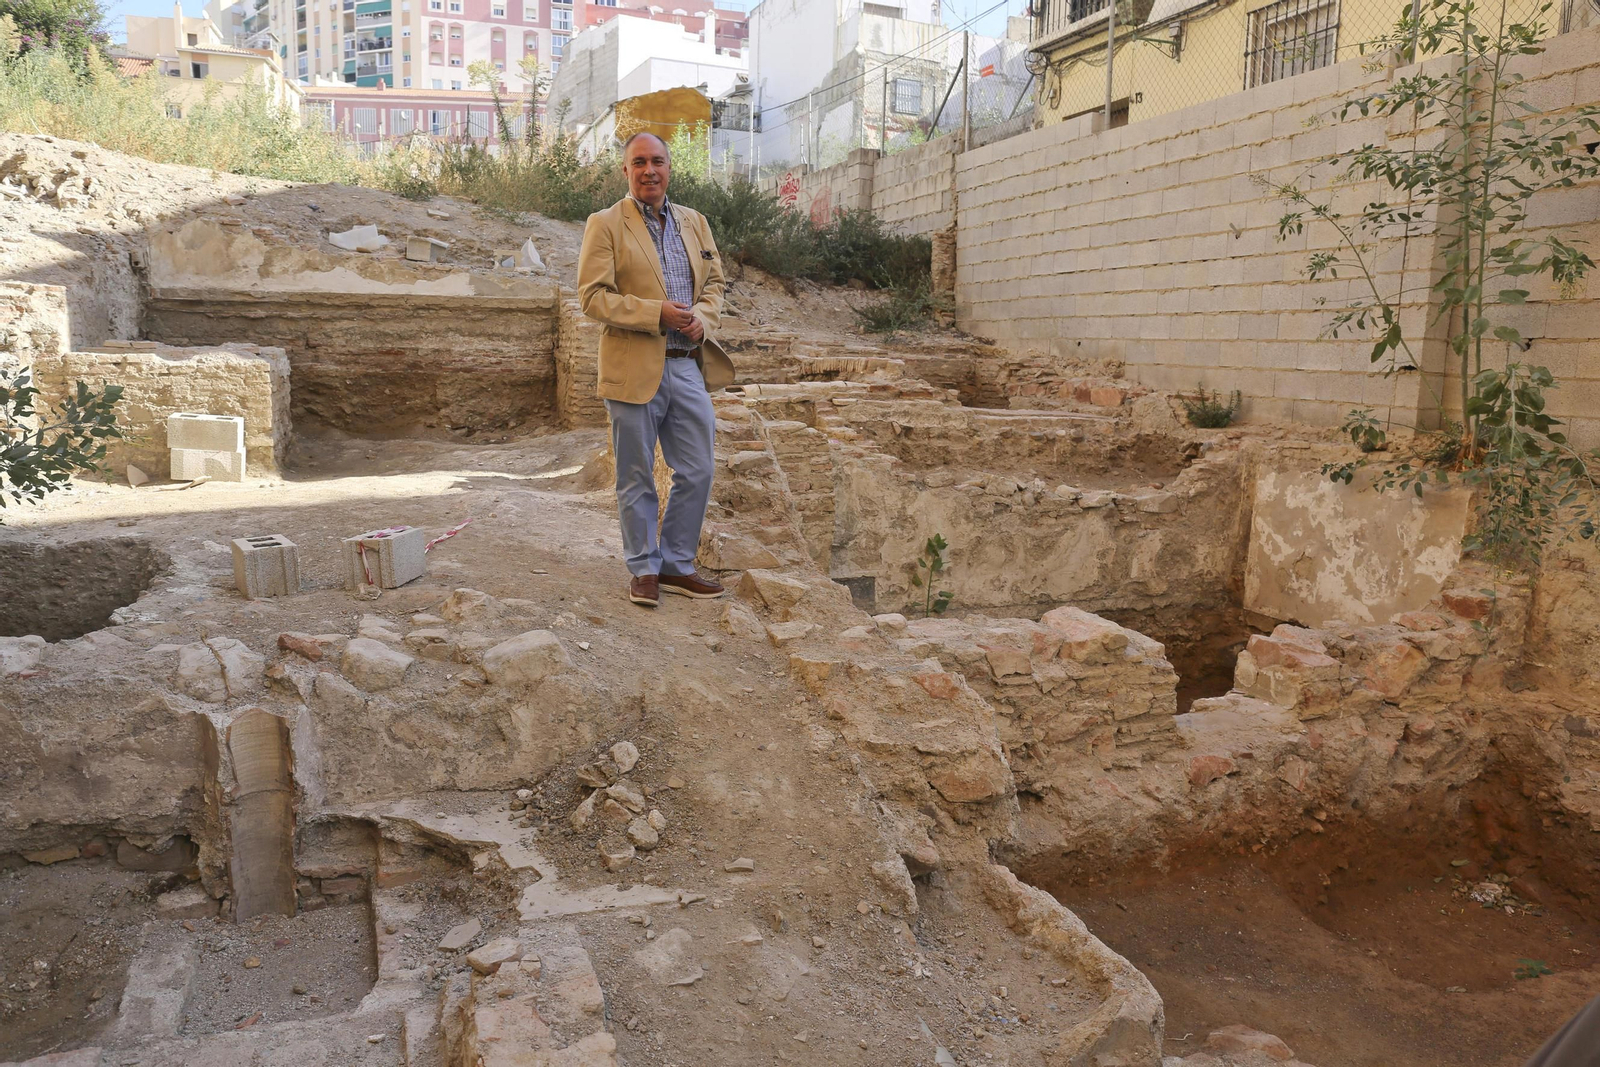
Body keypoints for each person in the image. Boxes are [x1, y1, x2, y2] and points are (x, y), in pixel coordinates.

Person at [577, 130, 735, 608]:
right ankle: (643, 567)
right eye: (640, 162)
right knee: (635, 474)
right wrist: (656, 314)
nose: (650, 170)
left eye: (658, 161)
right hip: (633, 366)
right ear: (626, 171)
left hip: (687, 365)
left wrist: (701, 320)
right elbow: (591, 297)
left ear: (670, 168)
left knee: (699, 469)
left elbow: (716, 284)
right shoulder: (605, 224)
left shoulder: (695, 222)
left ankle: (676, 563)